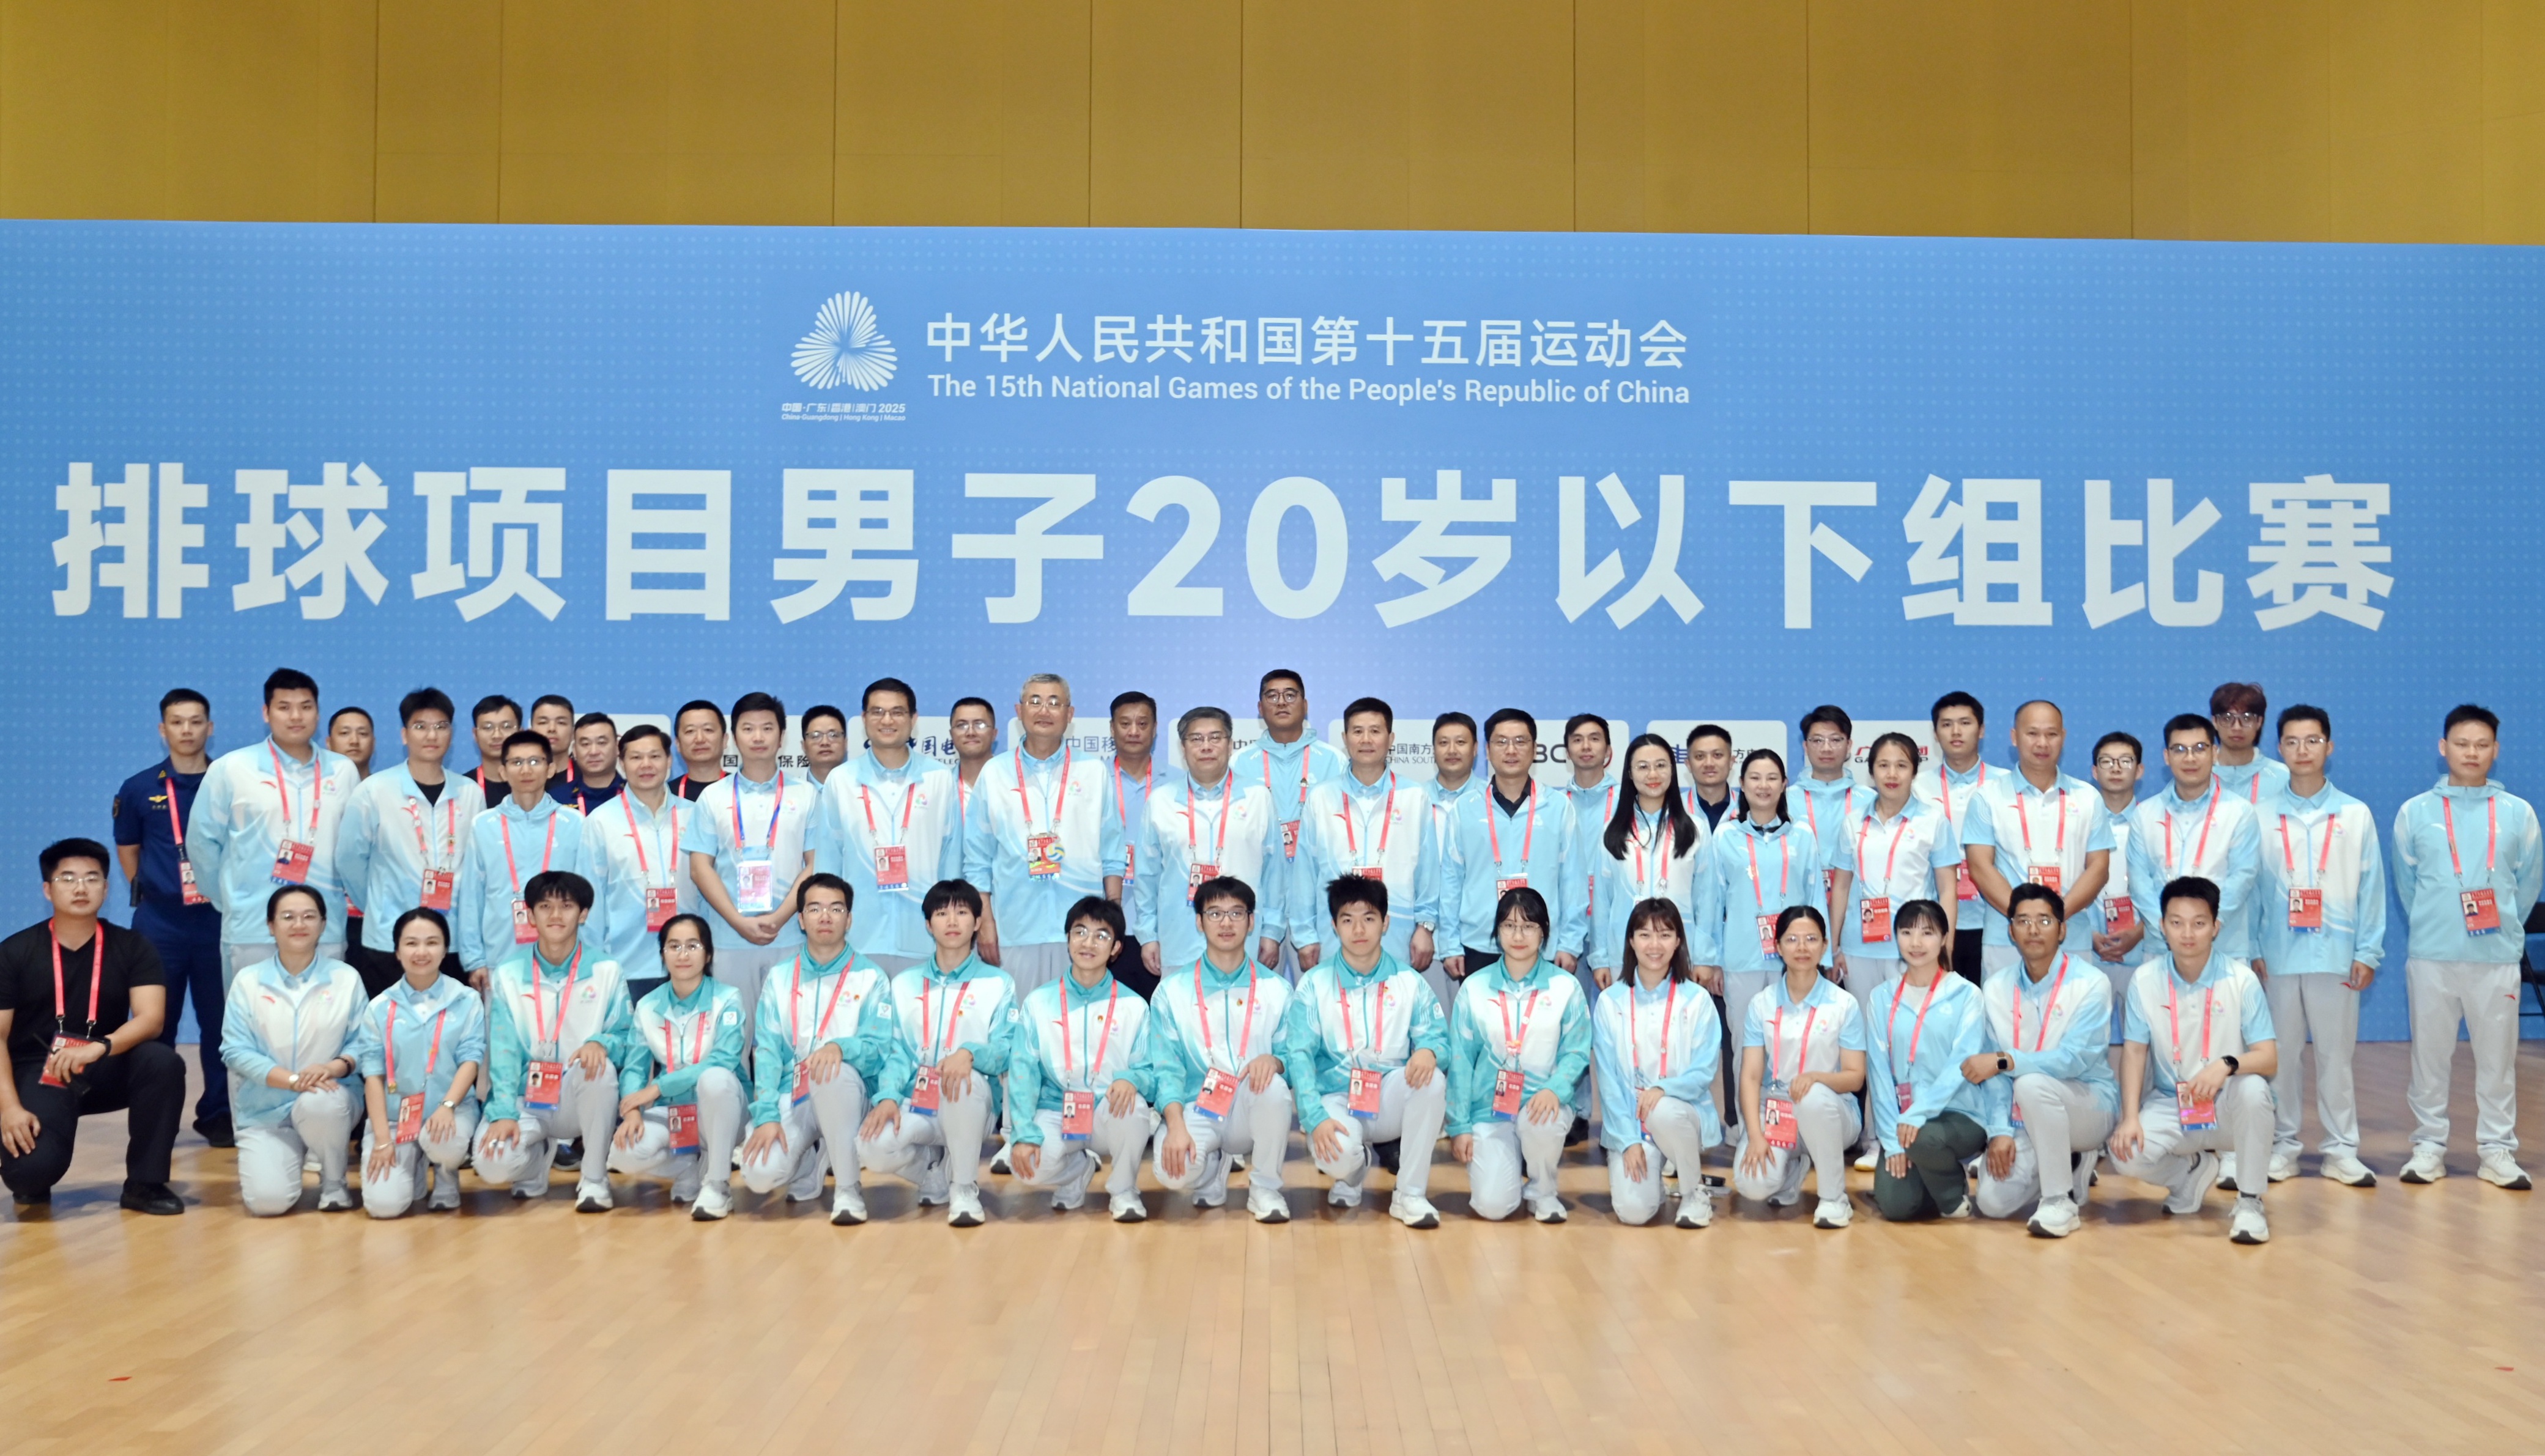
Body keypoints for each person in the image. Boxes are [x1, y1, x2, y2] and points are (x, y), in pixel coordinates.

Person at [2391, 704, 2539, 1190]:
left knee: (2497, 1061)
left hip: (2495, 958)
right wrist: (2435, 922)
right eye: (2461, 743)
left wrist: (2505, 930)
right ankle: (2428, 1146)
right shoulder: (2415, 811)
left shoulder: (2518, 813)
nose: (2471, 752)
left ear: (2495, 750)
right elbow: (2407, 885)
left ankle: (2496, 1149)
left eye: (2481, 744)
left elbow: (2527, 885)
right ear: (2443, 748)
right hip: (2431, 956)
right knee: (2429, 1058)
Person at [0, 838, 184, 1214]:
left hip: (102, 1062)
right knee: (29, 1175)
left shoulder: (133, 946)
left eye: (92, 878)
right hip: (41, 1070)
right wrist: (9, 1109)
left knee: (161, 1061)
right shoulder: (14, 952)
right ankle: (36, 1167)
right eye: (67, 879)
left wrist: (100, 1046)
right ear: (48, 890)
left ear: (106, 888)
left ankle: (145, 1184)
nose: (81, 887)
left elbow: (151, 1019)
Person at [2251, 706, 2385, 1188]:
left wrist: (2367, 951)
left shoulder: (2354, 813)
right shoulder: (2260, 814)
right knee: (2281, 1058)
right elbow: (2250, 889)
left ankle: (2340, 1149)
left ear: (2329, 746)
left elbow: (2371, 887)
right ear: (2279, 748)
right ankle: (2283, 1145)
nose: (2302, 750)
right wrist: (2252, 947)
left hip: (2336, 955)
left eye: (2312, 740)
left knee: (2335, 1057)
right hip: (2277, 956)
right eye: (2291, 741)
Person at [2108, 876, 2278, 1243]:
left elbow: (2269, 1059)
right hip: (2173, 1102)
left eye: (2199, 923)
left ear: (2216, 927)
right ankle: (2191, 1172)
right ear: (2162, 926)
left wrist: (2226, 1065)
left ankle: (2250, 1202)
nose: (2188, 933)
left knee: (2254, 1090)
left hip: (2227, 1103)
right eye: (2177, 922)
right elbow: (2134, 1052)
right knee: (2124, 1153)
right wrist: (2130, 1117)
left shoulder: (2242, 980)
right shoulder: (2144, 980)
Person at [1281, 874, 1450, 1227]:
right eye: (1348, 920)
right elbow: (1299, 1056)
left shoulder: (1409, 981)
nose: (1359, 929)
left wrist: (1430, 1052)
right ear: (1334, 926)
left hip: (1388, 1096)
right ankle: (1354, 1172)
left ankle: (1410, 1195)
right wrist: (1313, 1118)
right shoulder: (1314, 984)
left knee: (1432, 1080)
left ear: (1386, 923)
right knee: (1337, 1156)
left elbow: (1439, 1039)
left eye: (1369, 918)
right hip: (1336, 1097)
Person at [739, 874, 899, 1224]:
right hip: (793, 1093)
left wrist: (840, 1048)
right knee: (759, 1173)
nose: (825, 916)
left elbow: (879, 1049)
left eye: (836, 909)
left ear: (849, 919)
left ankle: (848, 1188)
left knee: (832, 1073)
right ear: (800, 919)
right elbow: (766, 1052)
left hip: (849, 1094)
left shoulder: (871, 977)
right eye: (815, 909)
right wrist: (766, 1115)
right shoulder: (779, 977)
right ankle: (808, 1160)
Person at [187, 668, 362, 983]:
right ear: (266, 713)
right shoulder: (232, 768)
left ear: (318, 713)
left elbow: (354, 848)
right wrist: (229, 899)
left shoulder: (343, 770)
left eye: (306, 707)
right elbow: (202, 842)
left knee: (325, 1014)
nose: (296, 716)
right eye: (284, 707)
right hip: (251, 927)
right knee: (251, 1014)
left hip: (325, 926)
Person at [861, 879, 1015, 1227]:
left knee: (963, 1079)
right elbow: (896, 1051)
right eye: (942, 913)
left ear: (977, 922)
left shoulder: (998, 983)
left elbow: (1004, 1050)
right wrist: (888, 1096)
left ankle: (964, 1188)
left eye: (962, 912)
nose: (952, 921)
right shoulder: (904, 983)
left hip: (972, 1104)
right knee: (870, 1145)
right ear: (929, 925)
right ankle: (933, 1171)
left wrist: (970, 1054)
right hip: (916, 1101)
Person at [473, 871, 630, 1211]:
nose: (555, 915)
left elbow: (624, 1034)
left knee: (600, 1070)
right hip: (525, 1097)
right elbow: (503, 1052)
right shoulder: (508, 974)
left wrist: (601, 1043)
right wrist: (503, 1113)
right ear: (530, 915)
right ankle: (536, 1160)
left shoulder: (607, 970)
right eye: (545, 906)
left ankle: (594, 1178)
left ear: (583, 914)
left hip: (575, 1093)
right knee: (491, 1163)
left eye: (567, 906)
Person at [1966, 885, 2118, 1236]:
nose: (2033, 930)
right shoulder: (1996, 988)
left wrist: (2007, 1061)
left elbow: (2074, 1060)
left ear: (2062, 930)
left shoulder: (2091, 983)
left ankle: (2058, 1201)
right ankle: (2071, 1162)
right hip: (2024, 1114)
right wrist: (1999, 1131)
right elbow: (1991, 1072)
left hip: (2088, 1104)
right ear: (2011, 931)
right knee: (1992, 1203)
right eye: (2023, 921)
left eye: (2044, 921)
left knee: (2031, 1084)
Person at [113, 687, 229, 1146]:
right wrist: (152, 891)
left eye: (196, 721)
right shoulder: (139, 787)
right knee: (154, 1026)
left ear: (210, 728)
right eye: (177, 722)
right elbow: (128, 848)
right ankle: (154, 1121)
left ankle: (219, 1115)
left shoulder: (228, 781)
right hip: (160, 925)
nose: (187, 730)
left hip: (217, 921)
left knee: (221, 1024)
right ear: (163, 729)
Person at [1147, 877, 1296, 1221]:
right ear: (1199, 922)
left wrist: (1275, 1062)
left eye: (1236, 913)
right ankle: (1211, 1166)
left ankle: (1266, 1189)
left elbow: (1294, 1057)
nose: (1226, 923)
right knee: (1172, 1172)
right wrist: (1175, 1125)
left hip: (1248, 1103)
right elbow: (1166, 1069)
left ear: (1251, 921)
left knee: (1274, 1087)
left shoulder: (1277, 989)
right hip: (1197, 1106)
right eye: (1215, 913)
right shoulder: (1172, 991)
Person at [1007, 896, 1159, 1221]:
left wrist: (1131, 1079)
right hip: (1056, 1109)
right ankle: (1078, 1170)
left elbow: (1150, 1071)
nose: (1088, 943)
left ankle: (1124, 1190)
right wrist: (1023, 1133)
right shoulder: (1038, 1002)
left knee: (1134, 1106)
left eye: (1101, 936)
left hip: (1108, 1110)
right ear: (1068, 939)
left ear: (1116, 948)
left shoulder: (1134, 1006)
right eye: (1080, 932)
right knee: (1025, 1166)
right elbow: (1022, 1072)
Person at [219, 885, 366, 1215]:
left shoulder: (346, 978)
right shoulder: (248, 981)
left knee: (321, 1103)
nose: (299, 924)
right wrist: (293, 1080)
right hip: (265, 1108)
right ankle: (287, 1156)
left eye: (309, 916)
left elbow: (364, 1043)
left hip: (328, 1097)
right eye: (288, 917)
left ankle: (334, 1181)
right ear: (271, 926)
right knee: (267, 1203)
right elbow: (236, 1050)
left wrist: (334, 1067)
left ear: (323, 924)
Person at [1447, 887, 1591, 1222]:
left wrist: (1555, 1089)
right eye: (1509, 926)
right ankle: (1509, 1181)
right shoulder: (1474, 987)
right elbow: (1460, 1061)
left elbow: (1577, 1051)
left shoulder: (1565, 987)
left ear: (1544, 932)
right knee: (1493, 1207)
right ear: (1497, 932)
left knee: (1541, 1123)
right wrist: (1459, 1125)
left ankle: (1543, 1191)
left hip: (1543, 1102)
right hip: (1489, 1108)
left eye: (1529, 926)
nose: (1518, 935)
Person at [962, 674, 1109, 1002]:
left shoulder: (1094, 772)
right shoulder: (994, 773)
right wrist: (986, 922)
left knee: (1078, 1024)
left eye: (1055, 703)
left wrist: (1110, 919)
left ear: (1070, 714)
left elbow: (1111, 852)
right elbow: (977, 859)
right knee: (1020, 1022)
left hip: (1083, 930)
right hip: (1016, 928)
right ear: (1019, 711)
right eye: (1035, 702)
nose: (1045, 710)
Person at [335, 688, 484, 997]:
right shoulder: (374, 791)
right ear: (404, 735)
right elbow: (349, 861)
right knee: (390, 1022)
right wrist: (378, 904)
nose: (432, 735)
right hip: (388, 939)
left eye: (441, 726)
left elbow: (476, 867)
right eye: (420, 726)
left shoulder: (470, 792)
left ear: (452, 734)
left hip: (451, 939)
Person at [809, 678, 963, 977]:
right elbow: (828, 863)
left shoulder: (939, 778)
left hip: (925, 938)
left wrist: (948, 924)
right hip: (858, 938)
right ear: (864, 719)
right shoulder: (841, 780)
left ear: (913, 719)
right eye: (877, 712)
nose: (887, 720)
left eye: (897, 712)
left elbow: (951, 858)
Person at [689, 691, 820, 1034]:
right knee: (733, 1037)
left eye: (767, 728)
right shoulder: (713, 797)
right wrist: (738, 922)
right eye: (748, 729)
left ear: (782, 736)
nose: (758, 737)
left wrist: (779, 918)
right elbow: (700, 868)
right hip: (728, 937)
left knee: (788, 1034)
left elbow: (814, 865)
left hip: (789, 935)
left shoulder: (806, 795)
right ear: (734, 737)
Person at [1731, 906, 1866, 1228]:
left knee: (1812, 1098)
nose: (1802, 947)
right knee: (1752, 1184)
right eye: (1792, 939)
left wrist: (1816, 1078)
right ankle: (1792, 1168)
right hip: (1776, 1111)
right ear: (1777, 947)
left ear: (1824, 945)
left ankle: (1834, 1199)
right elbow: (1750, 1076)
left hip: (1831, 1110)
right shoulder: (1761, 1003)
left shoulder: (1843, 1004)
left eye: (1811, 939)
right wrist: (1755, 1136)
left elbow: (1855, 1078)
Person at [1591, 898, 1722, 1227]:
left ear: (1678, 941)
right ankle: (1655, 1182)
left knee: (1662, 1109)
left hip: (1679, 1114)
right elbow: (1608, 1081)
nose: (1654, 945)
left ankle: (1694, 1193)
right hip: (1630, 1122)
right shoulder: (1609, 1002)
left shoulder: (1697, 1000)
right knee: (1633, 1213)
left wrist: (1663, 1089)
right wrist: (1627, 1141)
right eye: (1645, 935)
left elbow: (1703, 1071)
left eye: (1665, 935)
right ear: (1631, 941)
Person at [1298, 698, 1441, 1002]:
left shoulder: (1414, 796)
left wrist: (1426, 927)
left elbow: (1429, 871)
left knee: (1392, 1017)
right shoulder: (1321, 797)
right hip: (1334, 934)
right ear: (1345, 738)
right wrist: (1305, 935)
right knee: (1338, 1015)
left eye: (1375, 731)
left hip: (1397, 935)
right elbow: (1304, 873)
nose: (1366, 740)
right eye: (1357, 731)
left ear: (1391, 739)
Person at [609, 914, 750, 1219]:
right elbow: (634, 1068)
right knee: (623, 1153)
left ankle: (718, 1185)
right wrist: (632, 1110)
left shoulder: (728, 998)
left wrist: (658, 1087)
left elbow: (724, 1059)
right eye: (674, 946)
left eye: (692, 946)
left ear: (708, 954)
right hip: (673, 1112)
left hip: (725, 1110)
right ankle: (688, 1167)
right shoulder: (647, 1005)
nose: (683, 955)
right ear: (663, 955)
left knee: (715, 1078)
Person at [1134, 707, 1291, 978]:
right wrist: (1148, 935)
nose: (1206, 746)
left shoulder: (1257, 797)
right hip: (1179, 938)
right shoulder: (1161, 801)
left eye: (1215, 738)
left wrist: (1272, 931)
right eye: (1196, 739)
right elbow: (1147, 875)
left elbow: (1275, 872)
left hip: (1244, 940)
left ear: (1230, 745)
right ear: (1183, 748)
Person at [1960, 700, 2111, 977]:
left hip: (2071, 935)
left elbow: (2099, 868)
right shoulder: (1987, 797)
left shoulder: (2088, 797)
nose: (2042, 743)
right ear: (2014, 737)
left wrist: (2054, 918)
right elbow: (1980, 867)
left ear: (2063, 737)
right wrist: (2025, 920)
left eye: (2051, 734)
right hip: (2006, 941)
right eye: (2032, 733)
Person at [353, 907, 485, 1218]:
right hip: (396, 1118)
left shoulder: (466, 1000)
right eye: (411, 943)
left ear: (445, 949)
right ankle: (412, 1164)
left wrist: (448, 1106)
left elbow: (471, 1060)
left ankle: (446, 1172)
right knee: (384, 1207)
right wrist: (382, 1140)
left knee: (443, 1142)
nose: (421, 952)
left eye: (432, 943)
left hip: (450, 1112)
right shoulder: (379, 1007)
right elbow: (373, 1076)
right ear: (397, 951)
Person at [1861, 900, 1988, 1221]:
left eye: (1927, 933)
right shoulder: (1881, 997)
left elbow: (1960, 1066)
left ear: (1944, 938)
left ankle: (1950, 1193)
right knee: (1896, 1206)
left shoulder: (1966, 994)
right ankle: (1929, 1176)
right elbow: (1878, 1073)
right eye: (1906, 932)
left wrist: (1917, 1115)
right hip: (1904, 1123)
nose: (1916, 943)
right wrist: (1892, 1142)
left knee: (1924, 1139)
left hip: (1959, 1114)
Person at [1439, 710, 1586, 985]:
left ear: (1535, 749)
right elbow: (1451, 881)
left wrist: (1570, 943)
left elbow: (1573, 881)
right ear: (1487, 750)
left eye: (1520, 741)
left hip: (1542, 943)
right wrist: (1449, 943)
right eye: (1501, 742)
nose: (1511, 750)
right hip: (1479, 944)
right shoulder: (1465, 808)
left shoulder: (1558, 807)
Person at [1826, 731, 1962, 1025]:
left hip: (1915, 946)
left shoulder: (1933, 821)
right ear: (1871, 771)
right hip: (1858, 947)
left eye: (1901, 765)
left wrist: (1946, 948)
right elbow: (1841, 887)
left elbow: (1948, 890)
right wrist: (1833, 948)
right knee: (1865, 1030)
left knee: (1910, 1030)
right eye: (1883, 765)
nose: (1892, 774)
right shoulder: (1853, 822)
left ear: (1914, 771)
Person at [1690, 748, 1821, 1047]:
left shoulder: (1802, 834)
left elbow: (1815, 898)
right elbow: (1712, 904)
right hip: (1741, 958)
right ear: (1742, 783)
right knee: (1745, 1044)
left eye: (1772, 778)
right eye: (1755, 778)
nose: (1764, 786)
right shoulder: (1725, 835)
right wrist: (1712, 960)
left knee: (1793, 1044)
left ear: (1784, 784)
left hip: (1795, 958)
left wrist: (1820, 956)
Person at [1231, 669, 1349, 973]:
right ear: (1260, 708)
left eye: (1290, 695)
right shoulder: (1239, 764)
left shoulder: (1334, 761)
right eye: (1272, 696)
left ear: (1305, 705)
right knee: (1258, 1000)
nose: (1281, 702)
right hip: (1256, 913)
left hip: (1320, 913)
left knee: (1323, 999)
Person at [452, 730, 586, 988]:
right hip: (499, 958)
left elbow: (587, 896)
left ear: (551, 769)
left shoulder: (574, 823)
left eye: (535, 761)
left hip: (563, 958)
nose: (526, 770)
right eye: (516, 762)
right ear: (503, 771)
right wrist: (475, 960)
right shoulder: (483, 825)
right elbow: (471, 896)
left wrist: (586, 954)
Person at [2126, 714, 2261, 966]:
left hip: (2224, 946)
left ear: (2214, 753)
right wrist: (2169, 929)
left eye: (2200, 748)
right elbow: (2139, 882)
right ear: (2167, 756)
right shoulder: (2145, 814)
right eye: (2179, 749)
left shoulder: (2240, 812)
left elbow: (2242, 877)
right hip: (2161, 947)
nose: (2190, 758)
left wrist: (2205, 926)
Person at [582, 724, 695, 1003]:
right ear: (622, 764)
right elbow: (591, 897)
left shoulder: (694, 815)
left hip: (690, 962)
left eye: (655, 756)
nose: (646, 765)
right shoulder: (601, 821)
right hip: (626, 965)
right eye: (635, 757)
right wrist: (596, 962)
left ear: (669, 760)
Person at [1587, 734, 1705, 992]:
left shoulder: (1695, 829)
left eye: (1661, 765)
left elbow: (1707, 899)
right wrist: (1600, 958)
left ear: (1672, 771)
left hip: (1680, 948)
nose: (1653, 774)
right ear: (1630, 773)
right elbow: (1602, 901)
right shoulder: (1612, 832)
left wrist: (1706, 958)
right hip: (1624, 949)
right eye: (1643, 767)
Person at [1922, 690, 1994, 977]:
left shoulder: (2005, 785)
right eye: (1946, 724)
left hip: (1995, 922)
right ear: (1935, 733)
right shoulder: (1916, 787)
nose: (1956, 731)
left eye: (1965, 723)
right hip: (1934, 922)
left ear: (1982, 730)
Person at [2086, 731, 2149, 1032]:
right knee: (2088, 1042)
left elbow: (2166, 885)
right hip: (2089, 949)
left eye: (2125, 761)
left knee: (2146, 1041)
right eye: (2107, 761)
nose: (2115, 768)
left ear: (2140, 770)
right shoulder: (2079, 821)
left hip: (2143, 947)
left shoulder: (2153, 820)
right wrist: (2088, 934)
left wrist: (2140, 931)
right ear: (2094, 771)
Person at [1100, 691, 1161, 996]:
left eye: (1143, 723)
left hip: (1160, 926)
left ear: (1155, 728)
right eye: (1125, 723)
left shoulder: (1178, 783)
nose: (1134, 731)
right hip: (1105, 922)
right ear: (1112, 728)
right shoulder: (1091, 781)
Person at [1786, 706, 1865, 873]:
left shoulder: (1869, 800)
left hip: (1854, 888)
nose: (1826, 748)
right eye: (1817, 741)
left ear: (1849, 745)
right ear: (1805, 746)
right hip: (1801, 889)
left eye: (1835, 740)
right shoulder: (1785, 800)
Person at [2209, 682, 2291, 807]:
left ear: (2259, 722)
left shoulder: (2282, 777)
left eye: (2246, 718)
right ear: (2215, 722)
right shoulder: (2200, 775)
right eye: (2227, 718)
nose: (2237, 727)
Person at [554, 712, 624, 813]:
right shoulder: (555, 800)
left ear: (617, 747)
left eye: (602, 743)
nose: (593, 752)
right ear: (574, 750)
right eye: (586, 744)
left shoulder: (636, 795)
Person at [1428, 713, 1481, 847]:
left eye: (1460, 742)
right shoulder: (1416, 796)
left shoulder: (1491, 798)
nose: (1452, 750)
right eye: (1444, 743)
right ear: (1434, 750)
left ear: (1475, 749)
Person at [947, 696, 999, 816]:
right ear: (952, 734)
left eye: (979, 725)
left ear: (994, 734)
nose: (970, 733)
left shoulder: (1013, 782)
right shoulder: (942, 786)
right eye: (962, 725)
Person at [465, 694, 522, 802]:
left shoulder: (535, 784)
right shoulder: (463, 788)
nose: (497, 736)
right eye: (488, 728)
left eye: (506, 727)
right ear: (475, 734)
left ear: (520, 732)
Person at [1681, 724, 1736, 831]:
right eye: (1700, 756)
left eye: (1717, 755)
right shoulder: (1673, 808)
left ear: (1731, 762)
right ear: (1689, 764)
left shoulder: (1749, 808)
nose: (1709, 764)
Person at [672, 700, 727, 801]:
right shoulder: (665, 796)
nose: (700, 739)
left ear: (724, 740)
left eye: (708, 730)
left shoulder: (744, 791)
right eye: (690, 731)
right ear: (678, 744)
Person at [530, 694, 577, 791]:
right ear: (531, 731)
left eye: (561, 723)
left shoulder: (587, 777)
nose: (552, 729)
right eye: (543, 722)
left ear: (573, 733)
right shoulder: (518, 776)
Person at [799, 704, 850, 785]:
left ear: (845, 743)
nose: (825, 742)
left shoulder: (862, 789)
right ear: (804, 746)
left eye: (833, 735)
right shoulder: (790, 791)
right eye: (816, 736)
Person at [328, 706, 376, 778]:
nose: (354, 741)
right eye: (344, 733)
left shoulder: (385, 785)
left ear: (373, 744)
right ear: (329, 743)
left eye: (362, 733)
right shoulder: (315, 785)